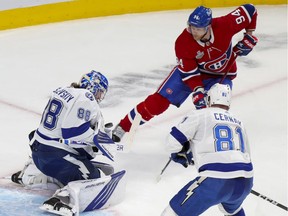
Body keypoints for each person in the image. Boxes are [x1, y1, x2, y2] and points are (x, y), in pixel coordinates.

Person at [112, 4, 258, 142]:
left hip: (220, 76)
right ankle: (124, 127)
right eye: (191, 27)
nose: (193, 31)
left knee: (216, 112)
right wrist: (198, 90)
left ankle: (203, 144)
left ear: (208, 27)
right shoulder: (183, 41)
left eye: (198, 29)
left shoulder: (226, 24)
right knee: (157, 103)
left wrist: (249, 36)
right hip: (192, 74)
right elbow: (189, 71)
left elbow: (250, 10)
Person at [11, 70, 126, 216]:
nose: (99, 97)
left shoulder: (64, 91)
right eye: (100, 93)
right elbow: (72, 132)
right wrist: (97, 140)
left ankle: (32, 173)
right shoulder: (86, 97)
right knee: (93, 178)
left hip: (38, 154)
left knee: (55, 145)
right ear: (93, 87)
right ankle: (64, 198)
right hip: (54, 158)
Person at [161, 83, 253, 216]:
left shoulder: (200, 114)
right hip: (245, 181)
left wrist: (182, 151)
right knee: (233, 211)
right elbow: (244, 153)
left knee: (172, 213)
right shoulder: (239, 121)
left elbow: (172, 143)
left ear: (209, 99)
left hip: (216, 180)